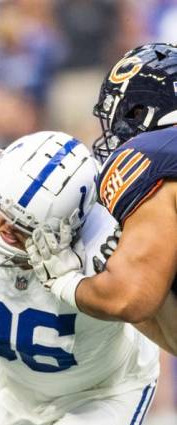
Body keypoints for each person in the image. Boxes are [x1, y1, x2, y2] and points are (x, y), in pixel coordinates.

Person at [0, 131, 159, 425]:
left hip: (101, 392)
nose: (2, 229)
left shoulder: (105, 247)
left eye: (23, 228)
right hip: (13, 389)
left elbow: (139, 302)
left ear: (71, 225)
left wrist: (71, 284)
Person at [25, 44, 177, 355]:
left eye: (123, 118)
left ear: (144, 112)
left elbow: (130, 299)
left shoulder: (149, 155)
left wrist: (68, 282)